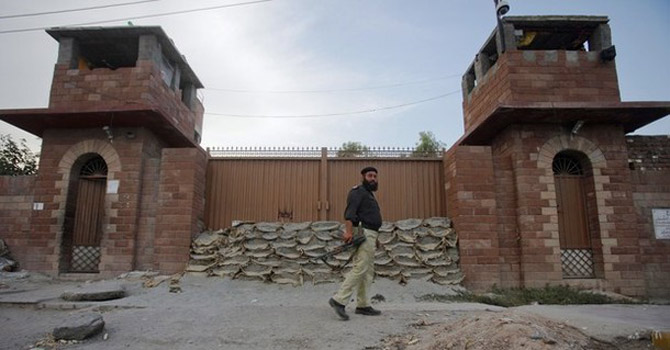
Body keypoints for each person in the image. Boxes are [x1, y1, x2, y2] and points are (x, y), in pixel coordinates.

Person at [328, 166, 382, 320]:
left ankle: (363, 305)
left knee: (368, 271)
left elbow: (370, 219)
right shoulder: (357, 191)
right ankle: (338, 300)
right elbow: (350, 214)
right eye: (370, 176)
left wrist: (376, 238)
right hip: (363, 234)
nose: (373, 178)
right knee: (360, 267)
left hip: (371, 235)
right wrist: (349, 232)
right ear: (363, 177)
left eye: (375, 176)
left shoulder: (369, 194)